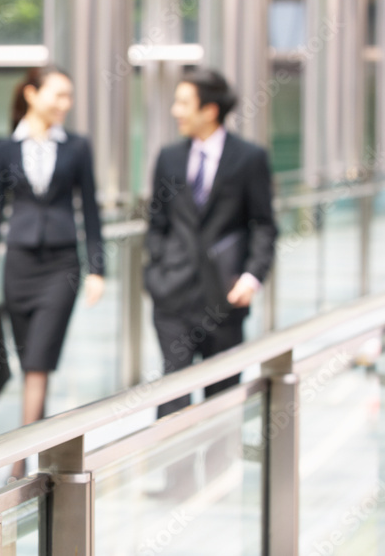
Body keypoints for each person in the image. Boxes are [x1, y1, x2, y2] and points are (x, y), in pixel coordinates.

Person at [142, 69, 276, 497]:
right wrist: (156, 271)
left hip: (225, 295)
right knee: (174, 385)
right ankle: (176, 481)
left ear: (209, 109)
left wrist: (253, 276)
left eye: (183, 103)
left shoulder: (249, 158)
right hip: (172, 295)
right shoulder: (168, 157)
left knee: (222, 390)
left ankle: (218, 479)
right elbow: (157, 223)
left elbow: (263, 225)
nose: (175, 111)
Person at [0, 65, 105, 480]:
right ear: (32, 94)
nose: (65, 104)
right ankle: (33, 444)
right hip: (19, 266)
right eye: (58, 95)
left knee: (39, 361)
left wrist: (98, 269)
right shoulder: (5, 150)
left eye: (69, 97)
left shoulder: (77, 147)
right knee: (30, 360)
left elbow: (91, 210)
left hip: (62, 267)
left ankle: (19, 460)